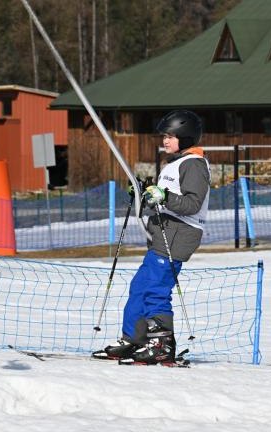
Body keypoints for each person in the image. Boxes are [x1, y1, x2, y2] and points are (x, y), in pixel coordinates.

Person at [93, 110, 210, 364]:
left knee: (156, 289)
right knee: (140, 287)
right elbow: (162, 202)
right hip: (163, 232)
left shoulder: (194, 165)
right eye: (165, 136)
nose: (165, 141)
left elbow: (192, 204)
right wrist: (143, 196)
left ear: (186, 137)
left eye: (171, 136)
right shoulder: (176, 164)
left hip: (179, 233)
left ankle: (161, 344)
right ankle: (134, 339)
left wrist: (164, 196)